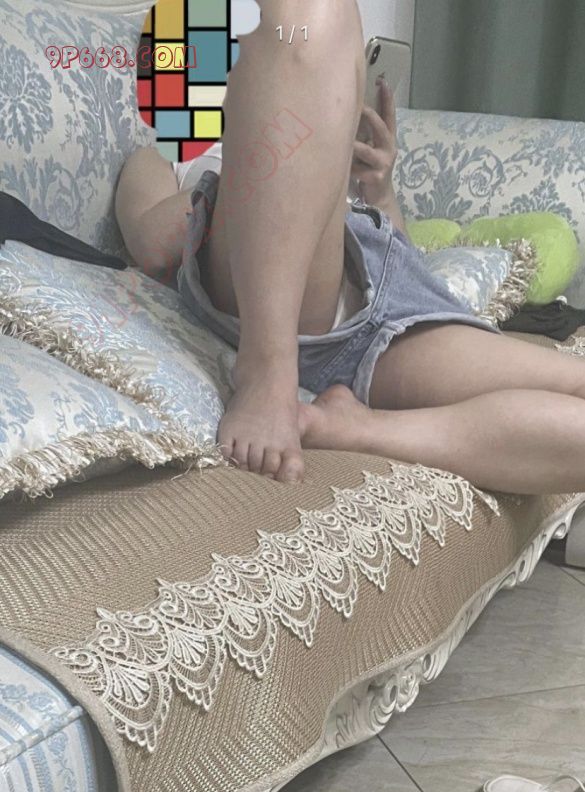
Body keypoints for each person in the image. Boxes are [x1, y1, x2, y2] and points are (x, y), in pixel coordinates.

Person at [116, 0, 585, 496]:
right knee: (318, 6)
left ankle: (356, 429)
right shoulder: (162, 160)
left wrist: (378, 189)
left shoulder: (309, 91)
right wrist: (252, 169)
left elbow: (401, 262)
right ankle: (267, 368)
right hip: (284, 292)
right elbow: (152, 245)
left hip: (390, 302)